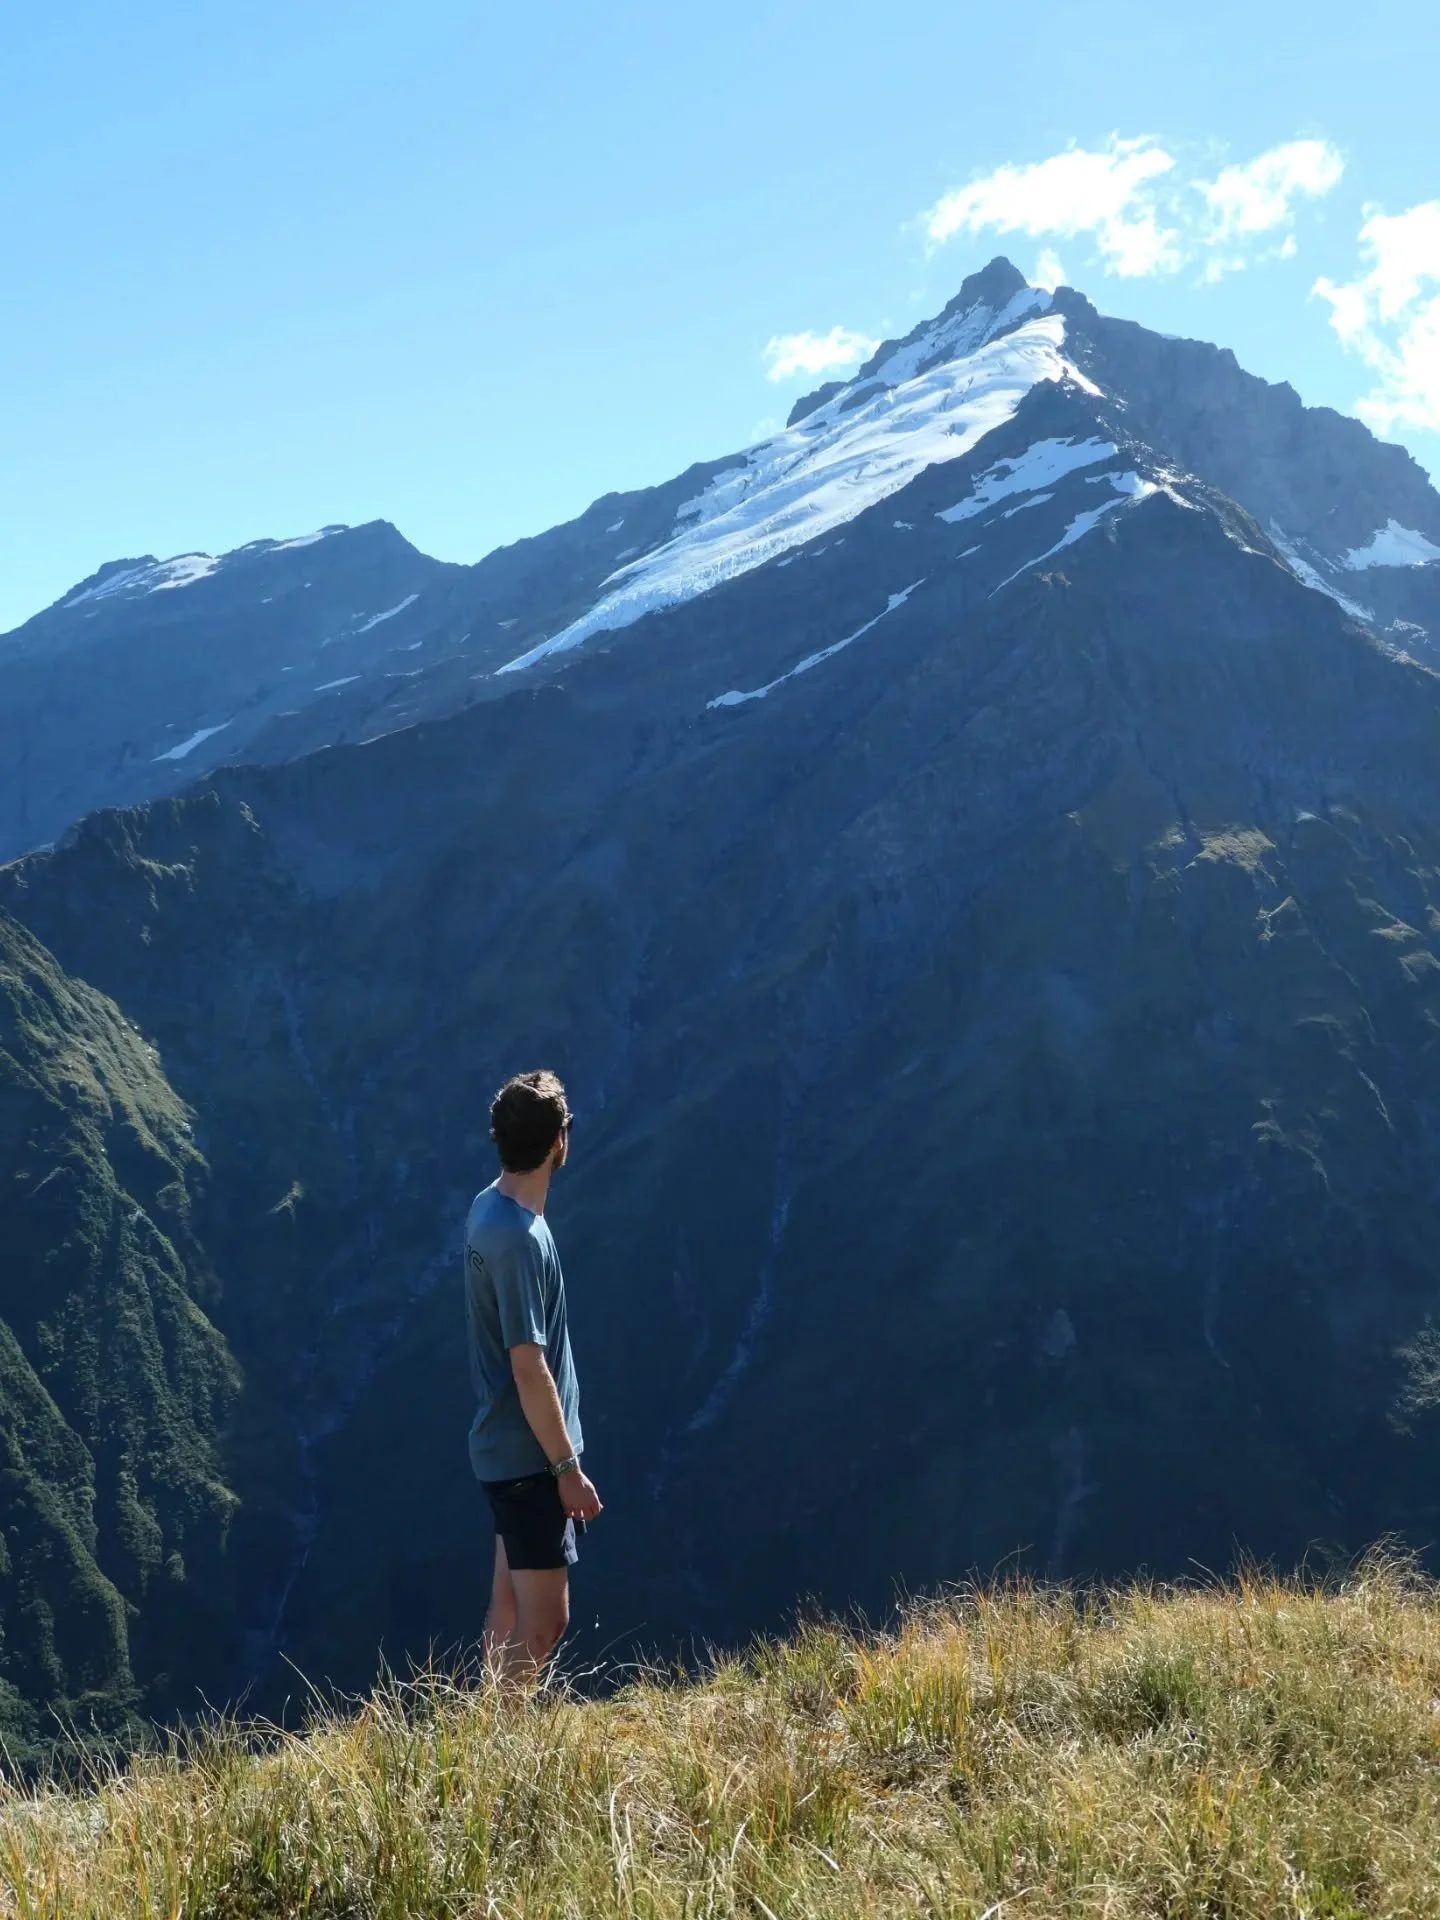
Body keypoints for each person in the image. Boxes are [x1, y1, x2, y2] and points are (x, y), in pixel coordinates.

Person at [463, 1069, 602, 1684]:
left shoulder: (487, 1210)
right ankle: (505, 1745)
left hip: (504, 1447)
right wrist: (566, 1469)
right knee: (546, 1621)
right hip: (531, 1459)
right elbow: (528, 1366)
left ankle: (489, 1735)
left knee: (510, 1604)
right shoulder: (519, 1240)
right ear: (558, 1142)